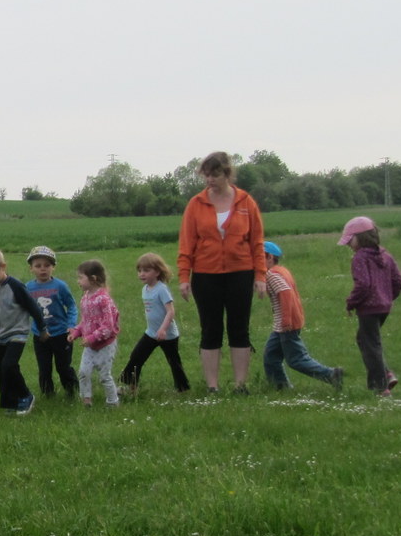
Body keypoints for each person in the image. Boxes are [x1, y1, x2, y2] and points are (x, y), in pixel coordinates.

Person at [177, 151, 268, 394]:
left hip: (241, 273)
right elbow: (186, 244)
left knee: (239, 329)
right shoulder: (196, 204)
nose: (210, 180)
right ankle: (212, 386)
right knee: (210, 329)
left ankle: (240, 384)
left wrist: (260, 276)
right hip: (205, 275)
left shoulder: (246, 202)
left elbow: (257, 242)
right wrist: (184, 277)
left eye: (215, 175)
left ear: (227, 174)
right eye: (206, 175)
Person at [0, 246, 49, 415]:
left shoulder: (15, 286)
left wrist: (42, 328)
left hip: (17, 332)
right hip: (0, 335)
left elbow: (33, 307)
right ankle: (10, 403)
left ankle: (26, 396)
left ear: (3, 267)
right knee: (1, 371)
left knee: (9, 365)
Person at [261, 241, 344, 392]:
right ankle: (280, 386)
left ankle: (331, 375)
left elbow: (285, 293)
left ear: (270, 257)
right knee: (271, 356)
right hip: (281, 325)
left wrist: (286, 319)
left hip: (286, 324)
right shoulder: (281, 271)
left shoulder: (272, 274)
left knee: (296, 359)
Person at [340, 217, 401, 397]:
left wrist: (351, 302)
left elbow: (363, 285)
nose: (348, 245)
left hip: (368, 308)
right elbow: (398, 281)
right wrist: (387, 297)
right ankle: (386, 374)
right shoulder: (385, 255)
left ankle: (380, 387)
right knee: (367, 340)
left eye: (350, 240)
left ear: (361, 238)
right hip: (384, 307)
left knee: (370, 344)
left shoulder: (360, 258)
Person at [119, 252, 191, 395]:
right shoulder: (144, 289)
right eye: (139, 270)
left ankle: (182, 389)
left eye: (146, 270)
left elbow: (170, 311)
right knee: (136, 356)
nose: (142, 274)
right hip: (151, 333)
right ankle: (132, 387)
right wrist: (156, 330)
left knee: (174, 362)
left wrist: (163, 329)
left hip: (168, 335)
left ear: (157, 272)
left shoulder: (161, 289)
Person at [25, 246, 79, 398]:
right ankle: (47, 394)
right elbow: (23, 308)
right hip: (40, 335)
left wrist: (71, 325)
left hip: (61, 333)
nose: (43, 269)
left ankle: (72, 391)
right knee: (44, 368)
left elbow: (71, 306)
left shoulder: (60, 286)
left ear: (53, 267)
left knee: (63, 367)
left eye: (47, 265)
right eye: (38, 266)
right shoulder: (28, 288)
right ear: (31, 268)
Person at [67, 259, 121, 407]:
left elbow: (108, 326)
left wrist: (92, 337)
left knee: (104, 376)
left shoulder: (103, 299)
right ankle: (86, 400)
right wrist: (76, 332)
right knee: (83, 372)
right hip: (90, 345)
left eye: (80, 277)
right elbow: (86, 321)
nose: (78, 281)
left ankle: (113, 402)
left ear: (93, 279)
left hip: (105, 345)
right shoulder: (85, 297)